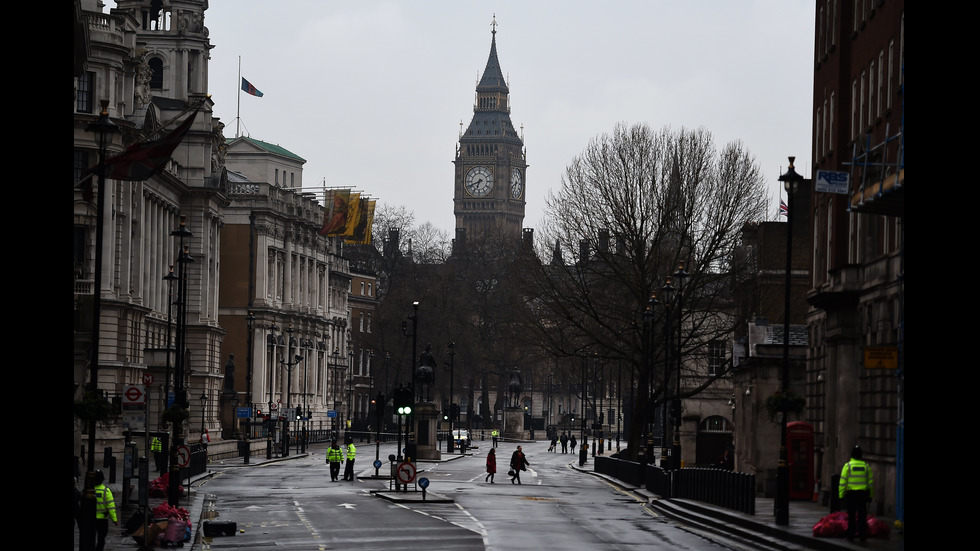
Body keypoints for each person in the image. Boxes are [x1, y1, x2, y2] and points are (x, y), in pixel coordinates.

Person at [839, 445, 873, 541]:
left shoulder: (848, 466)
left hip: (851, 494)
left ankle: (851, 535)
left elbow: (842, 482)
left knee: (851, 515)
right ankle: (862, 535)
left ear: (852, 455)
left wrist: (841, 495)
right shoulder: (866, 467)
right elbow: (870, 483)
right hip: (863, 494)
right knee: (862, 515)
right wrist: (870, 496)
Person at [93, 470, 117, 551]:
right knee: (101, 538)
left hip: (91, 519)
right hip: (102, 519)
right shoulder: (106, 491)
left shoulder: (90, 491)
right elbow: (111, 507)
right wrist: (114, 519)